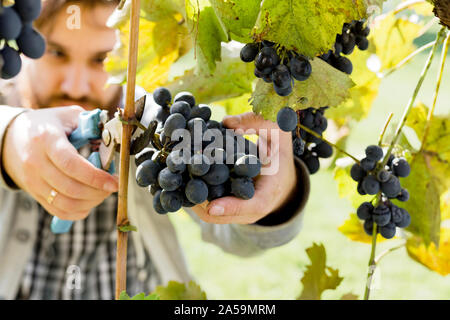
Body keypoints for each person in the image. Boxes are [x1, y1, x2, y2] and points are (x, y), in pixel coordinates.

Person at [0, 0, 310, 300]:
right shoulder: (7, 106)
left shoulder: (155, 123)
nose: (77, 85)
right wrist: (9, 138)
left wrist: (276, 198)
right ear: (24, 43)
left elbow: (241, 242)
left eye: (101, 59)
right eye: (57, 53)